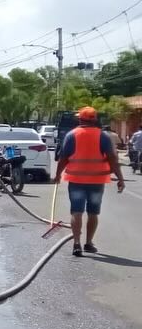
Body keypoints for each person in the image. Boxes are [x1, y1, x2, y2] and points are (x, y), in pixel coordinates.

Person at [54, 107, 125, 257]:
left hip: (76, 180)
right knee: (93, 213)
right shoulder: (103, 136)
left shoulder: (71, 135)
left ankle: (76, 244)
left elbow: (63, 158)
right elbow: (112, 159)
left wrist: (57, 175)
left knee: (76, 211)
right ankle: (88, 242)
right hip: (97, 181)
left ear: (80, 119)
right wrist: (120, 178)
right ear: (95, 119)